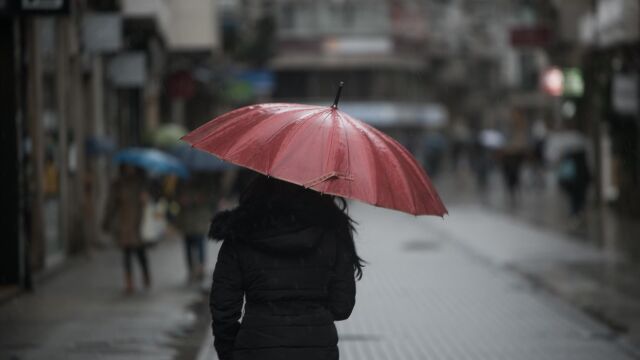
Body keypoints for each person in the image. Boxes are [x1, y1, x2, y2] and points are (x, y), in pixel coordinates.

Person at [208, 175, 364, 360]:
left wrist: (231, 353)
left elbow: (223, 308)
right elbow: (342, 306)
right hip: (317, 349)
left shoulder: (242, 230)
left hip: (256, 347)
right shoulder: (332, 229)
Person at [103, 165, 151, 294]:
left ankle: (146, 275)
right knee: (127, 254)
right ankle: (129, 282)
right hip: (124, 224)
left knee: (141, 254)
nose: (130, 169)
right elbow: (111, 204)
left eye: (132, 167)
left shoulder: (141, 183)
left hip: (138, 224)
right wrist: (106, 222)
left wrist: (145, 199)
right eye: (127, 167)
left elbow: (150, 200)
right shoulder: (118, 184)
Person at [175, 176, 215, 282]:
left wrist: (201, 198)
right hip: (186, 220)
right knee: (188, 246)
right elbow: (174, 197)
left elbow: (212, 196)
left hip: (199, 220)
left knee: (200, 244)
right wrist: (181, 200)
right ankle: (191, 270)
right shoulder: (181, 181)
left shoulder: (205, 179)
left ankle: (200, 269)